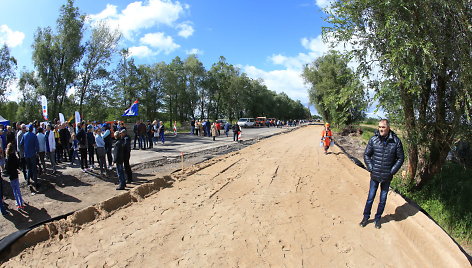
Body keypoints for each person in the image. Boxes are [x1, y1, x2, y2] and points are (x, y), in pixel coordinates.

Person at [360, 119, 404, 229]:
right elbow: (366, 155)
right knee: (370, 197)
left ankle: (378, 219)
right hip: (374, 175)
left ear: (388, 127)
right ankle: (365, 217)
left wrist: (392, 171)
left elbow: (400, 158)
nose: (381, 129)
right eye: (379, 127)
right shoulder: (373, 140)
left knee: (382, 200)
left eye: (383, 127)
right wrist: (371, 168)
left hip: (386, 177)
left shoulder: (396, 141)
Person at [4, 143, 24, 211]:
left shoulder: (8, 158)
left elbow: (6, 168)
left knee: (14, 191)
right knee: (18, 190)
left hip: (11, 176)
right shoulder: (14, 156)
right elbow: (17, 165)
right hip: (15, 174)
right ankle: (21, 203)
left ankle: (18, 204)